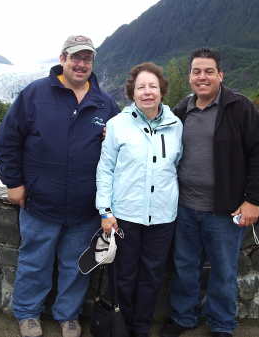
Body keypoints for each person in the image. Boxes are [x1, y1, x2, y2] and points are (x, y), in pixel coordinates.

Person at [0, 35, 119, 337]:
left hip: (84, 206)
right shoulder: (35, 94)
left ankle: (68, 315)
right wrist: (14, 182)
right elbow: (7, 140)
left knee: (76, 266)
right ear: (63, 58)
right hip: (40, 202)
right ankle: (27, 314)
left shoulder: (105, 103)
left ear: (92, 63)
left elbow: (121, 151)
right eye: (75, 57)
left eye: (87, 59)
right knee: (34, 262)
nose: (81, 64)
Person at [160, 48, 259, 337]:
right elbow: (156, 138)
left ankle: (222, 324)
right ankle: (184, 318)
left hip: (225, 210)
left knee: (222, 271)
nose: (202, 76)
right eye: (197, 71)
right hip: (184, 207)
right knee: (185, 267)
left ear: (220, 75)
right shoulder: (182, 109)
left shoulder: (239, 108)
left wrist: (253, 201)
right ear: (190, 77)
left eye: (209, 71)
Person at [96, 62, 183, 337]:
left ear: (162, 91)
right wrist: (105, 211)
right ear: (132, 91)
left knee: (152, 276)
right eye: (141, 87)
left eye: (153, 87)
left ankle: (141, 328)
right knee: (125, 276)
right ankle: (122, 326)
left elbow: (177, 167)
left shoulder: (176, 126)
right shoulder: (116, 125)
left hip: (162, 218)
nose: (147, 92)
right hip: (126, 217)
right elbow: (105, 170)